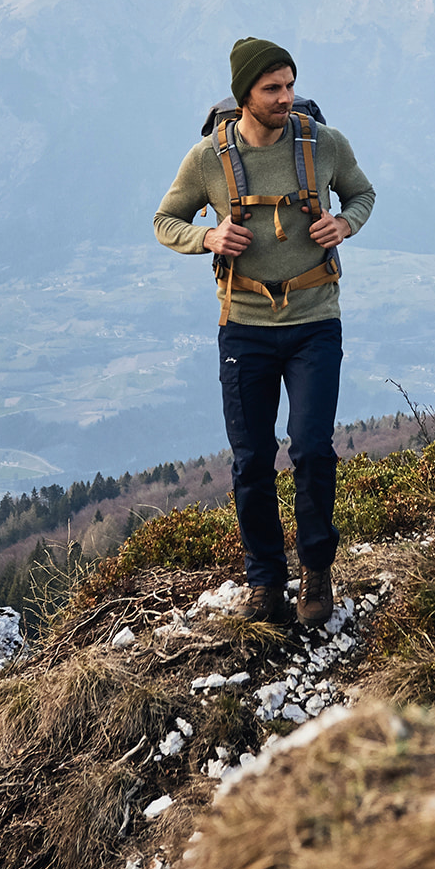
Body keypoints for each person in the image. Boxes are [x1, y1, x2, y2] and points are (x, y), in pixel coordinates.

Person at [155, 38, 376, 626]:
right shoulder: (209, 159)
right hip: (244, 327)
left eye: (290, 85)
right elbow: (164, 220)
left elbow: (362, 194)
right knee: (252, 459)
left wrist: (343, 224)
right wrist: (206, 237)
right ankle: (265, 582)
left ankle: (317, 574)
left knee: (311, 450)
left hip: (314, 322)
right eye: (272, 89)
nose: (286, 98)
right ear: (244, 95)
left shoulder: (324, 144)